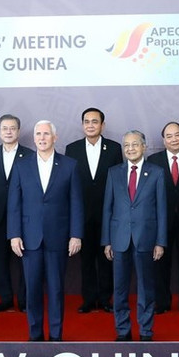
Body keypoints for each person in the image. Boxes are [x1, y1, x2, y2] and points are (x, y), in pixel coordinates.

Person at [8, 120, 83, 342]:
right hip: (29, 239)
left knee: (57, 290)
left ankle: (56, 336)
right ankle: (35, 335)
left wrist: (76, 234)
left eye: (46, 134)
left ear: (55, 138)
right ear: (33, 138)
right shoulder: (22, 166)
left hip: (58, 238)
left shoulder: (69, 165)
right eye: (38, 134)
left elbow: (76, 203)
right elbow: (14, 203)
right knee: (32, 291)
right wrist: (14, 234)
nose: (42, 138)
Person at [102, 131, 167, 341]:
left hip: (146, 239)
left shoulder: (156, 172)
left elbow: (162, 210)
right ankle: (122, 330)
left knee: (146, 289)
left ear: (144, 147)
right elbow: (107, 209)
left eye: (135, 144)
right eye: (127, 145)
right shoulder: (113, 173)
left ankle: (146, 331)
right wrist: (107, 241)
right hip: (119, 238)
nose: (130, 148)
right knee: (119, 289)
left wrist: (160, 241)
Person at [65, 107, 122, 313]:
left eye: (95, 121)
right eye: (87, 121)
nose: (90, 125)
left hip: (109, 215)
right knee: (86, 260)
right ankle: (88, 299)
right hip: (81, 215)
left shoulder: (115, 149)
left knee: (107, 259)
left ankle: (106, 299)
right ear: (82, 125)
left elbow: (119, 183)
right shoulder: (72, 149)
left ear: (102, 125)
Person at [0, 114, 33, 312]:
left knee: (23, 260)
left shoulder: (29, 154)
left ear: (18, 131)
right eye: (5, 128)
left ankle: (24, 300)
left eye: (12, 128)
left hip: (23, 218)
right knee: (1, 260)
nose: (9, 132)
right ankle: (6, 298)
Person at [146, 122, 179, 315]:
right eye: (169, 136)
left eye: (177, 135)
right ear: (163, 140)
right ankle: (162, 302)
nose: (174, 139)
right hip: (161, 222)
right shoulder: (153, 160)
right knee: (160, 265)